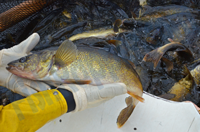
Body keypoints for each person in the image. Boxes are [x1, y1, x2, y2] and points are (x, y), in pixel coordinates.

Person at [0, 33, 200, 132]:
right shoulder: (51, 63)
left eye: (25, 60)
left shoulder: (56, 60)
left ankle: (134, 101)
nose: (20, 63)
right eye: (23, 60)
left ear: (46, 59)